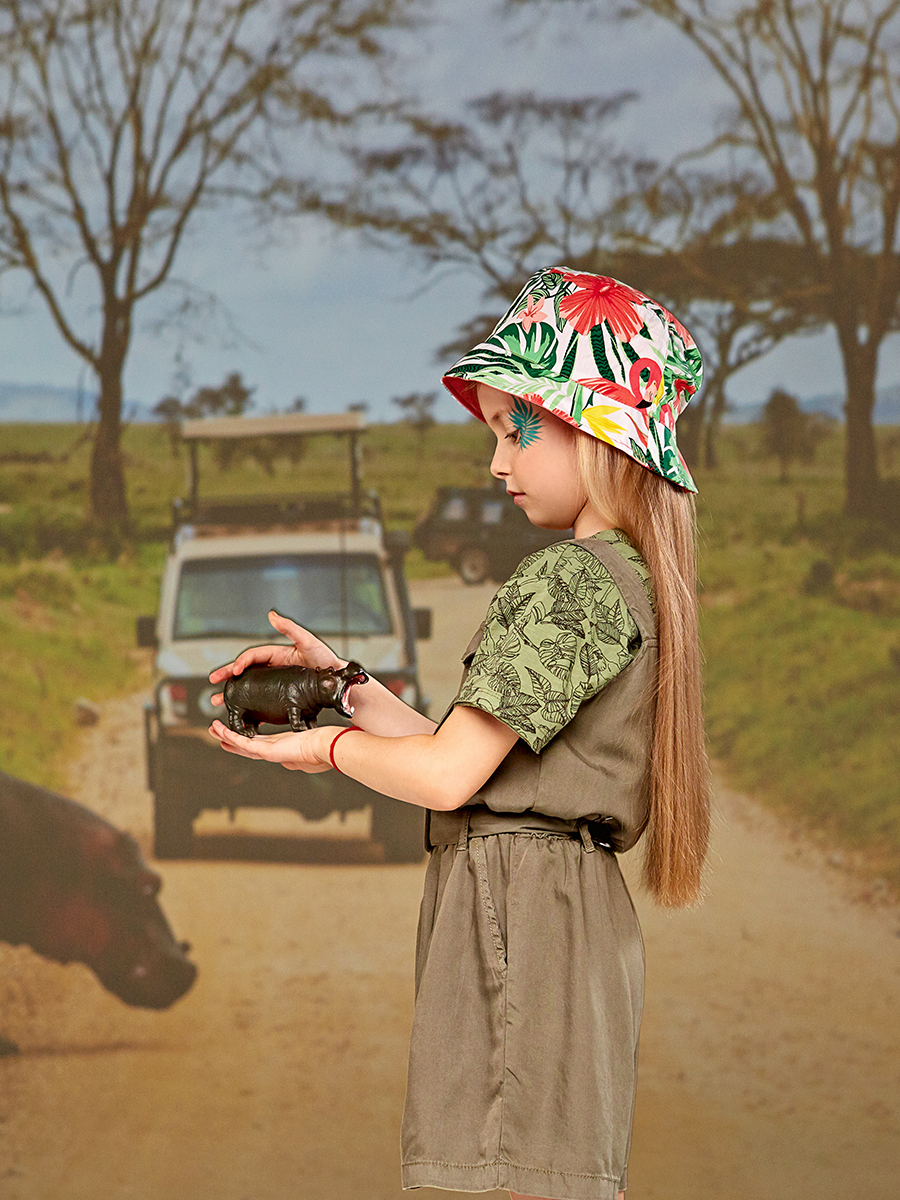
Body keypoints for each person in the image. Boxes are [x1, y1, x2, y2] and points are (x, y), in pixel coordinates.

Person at [208, 266, 710, 1200]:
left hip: (522, 917)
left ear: (596, 431)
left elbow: (445, 778)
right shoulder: (624, 575)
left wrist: (318, 746)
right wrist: (344, 690)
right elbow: (472, 761)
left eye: (516, 430)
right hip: (545, 912)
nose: (497, 464)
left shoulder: (569, 578)